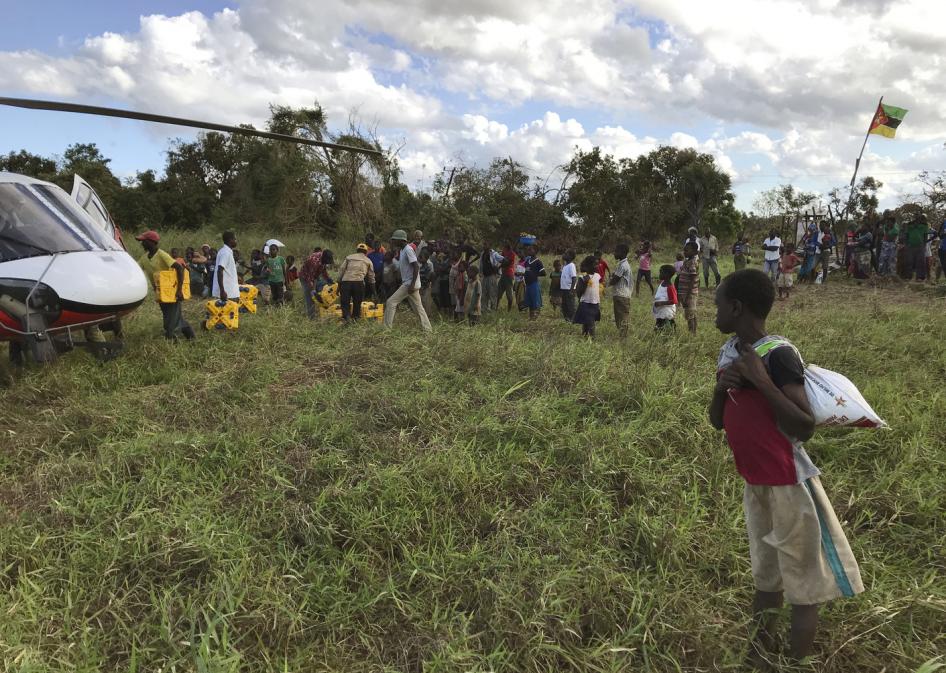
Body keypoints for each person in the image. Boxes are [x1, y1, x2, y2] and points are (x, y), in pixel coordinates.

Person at [708, 268, 863, 662]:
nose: (714, 312)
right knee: (766, 576)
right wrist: (720, 391)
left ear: (737, 307)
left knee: (803, 588)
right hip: (756, 481)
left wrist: (761, 381)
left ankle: (796, 663)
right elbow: (716, 420)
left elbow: (803, 424)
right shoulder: (731, 352)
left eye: (718, 305)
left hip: (790, 484)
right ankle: (757, 656)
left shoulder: (779, 355)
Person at [136, 230, 195, 340]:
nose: (142, 243)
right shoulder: (144, 258)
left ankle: (172, 340)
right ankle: (191, 337)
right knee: (171, 316)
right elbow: (135, 268)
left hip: (172, 291)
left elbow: (179, 268)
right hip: (160, 293)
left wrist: (179, 290)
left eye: (144, 241)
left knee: (171, 320)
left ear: (151, 242)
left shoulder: (161, 254)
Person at [384, 229, 432, 332]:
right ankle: (428, 330)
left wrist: (411, 284)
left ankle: (386, 329)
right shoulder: (402, 250)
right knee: (419, 308)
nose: (393, 242)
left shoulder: (408, 250)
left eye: (395, 240)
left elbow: (416, 267)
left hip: (410, 284)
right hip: (409, 283)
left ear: (401, 240)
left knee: (391, 302)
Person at [337, 243, 376, 321]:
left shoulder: (349, 257)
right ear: (366, 252)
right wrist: (374, 292)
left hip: (346, 282)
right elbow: (371, 277)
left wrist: (339, 283)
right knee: (357, 303)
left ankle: (347, 317)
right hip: (358, 283)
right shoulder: (368, 261)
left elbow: (341, 270)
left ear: (357, 250)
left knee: (345, 302)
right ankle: (355, 318)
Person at [572, 256, 601, 339]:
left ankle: (584, 336)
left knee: (587, 321)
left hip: (595, 302)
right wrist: (585, 282)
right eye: (595, 264)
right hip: (586, 303)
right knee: (590, 320)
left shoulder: (598, 276)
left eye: (597, 264)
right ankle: (593, 338)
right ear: (588, 266)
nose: (597, 266)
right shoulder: (582, 278)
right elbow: (578, 291)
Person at [299, 248, 333, 318]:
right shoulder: (313, 261)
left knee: (316, 295)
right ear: (324, 258)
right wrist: (313, 290)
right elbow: (309, 278)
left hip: (313, 276)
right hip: (305, 277)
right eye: (327, 261)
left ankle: (314, 312)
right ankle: (311, 317)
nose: (327, 263)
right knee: (310, 297)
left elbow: (323, 271)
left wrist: (329, 279)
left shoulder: (323, 259)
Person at [609, 243, 633, 338]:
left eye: (616, 251)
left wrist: (608, 283)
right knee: (619, 315)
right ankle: (622, 335)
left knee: (622, 315)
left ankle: (623, 336)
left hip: (622, 294)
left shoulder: (623, 265)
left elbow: (615, 279)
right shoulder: (622, 264)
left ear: (622, 253)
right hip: (621, 294)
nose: (614, 253)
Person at [677, 241, 700, 334]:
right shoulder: (686, 261)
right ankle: (693, 332)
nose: (685, 252)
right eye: (684, 250)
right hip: (685, 292)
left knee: (690, 314)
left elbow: (693, 279)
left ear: (695, 252)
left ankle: (692, 333)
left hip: (689, 294)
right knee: (691, 313)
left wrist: (688, 294)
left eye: (687, 250)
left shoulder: (693, 262)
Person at [212, 231, 240, 305]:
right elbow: (220, 271)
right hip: (227, 293)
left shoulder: (226, 251)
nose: (236, 241)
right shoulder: (225, 253)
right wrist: (222, 290)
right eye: (235, 239)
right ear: (230, 240)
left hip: (230, 291)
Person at [522, 246, 546, 320]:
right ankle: (531, 316)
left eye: (531, 250)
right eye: (528, 250)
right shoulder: (527, 261)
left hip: (534, 283)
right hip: (528, 284)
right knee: (529, 300)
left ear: (535, 251)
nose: (529, 251)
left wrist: (535, 274)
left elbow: (543, 273)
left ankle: (536, 315)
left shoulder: (538, 261)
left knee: (535, 300)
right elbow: (526, 270)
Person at [653, 264, 678, 333]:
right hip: (661, 311)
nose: (659, 274)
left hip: (667, 312)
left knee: (666, 324)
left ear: (667, 274)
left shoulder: (670, 287)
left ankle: (672, 335)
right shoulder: (662, 283)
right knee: (661, 324)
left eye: (661, 272)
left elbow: (674, 300)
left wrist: (661, 303)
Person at [904, 213, 929, 281]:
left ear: (920, 217)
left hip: (920, 245)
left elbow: (925, 236)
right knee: (909, 261)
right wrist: (906, 244)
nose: (917, 218)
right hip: (910, 245)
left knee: (920, 262)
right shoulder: (909, 225)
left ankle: (920, 277)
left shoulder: (924, 225)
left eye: (918, 216)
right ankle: (908, 276)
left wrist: (924, 245)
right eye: (915, 216)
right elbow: (906, 234)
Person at [480, 243, 504, 312]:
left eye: (486, 244)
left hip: (492, 276)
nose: (484, 246)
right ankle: (484, 309)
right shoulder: (482, 254)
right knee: (484, 294)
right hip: (484, 276)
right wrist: (480, 273)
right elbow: (481, 264)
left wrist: (498, 267)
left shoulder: (494, 254)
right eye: (484, 244)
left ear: (489, 246)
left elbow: (503, 260)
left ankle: (493, 310)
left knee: (492, 293)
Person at [497, 242, 517, 311]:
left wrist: (500, 266)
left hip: (509, 275)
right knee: (498, 292)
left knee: (509, 293)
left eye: (504, 247)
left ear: (506, 247)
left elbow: (507, 263)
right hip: (503, 274)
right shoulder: (504, 252)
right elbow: (501, 260)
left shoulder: (512, 254)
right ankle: (496, 307)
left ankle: (509, 309)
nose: (503, 249)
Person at [559, 250, 578, 321]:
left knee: (570, 306)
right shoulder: (565, 266)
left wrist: (572, 290)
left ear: (570, 256)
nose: (564, 254)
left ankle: (572, 319)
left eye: (566, 254)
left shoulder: (571, 265)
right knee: (564, 306)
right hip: (564, 289)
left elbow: (574, 278)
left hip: (569, 289)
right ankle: (567, 319)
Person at [449, 253, 467, 322]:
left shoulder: (463, 275)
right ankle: (457, 320)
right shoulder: (460, 274)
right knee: (457, 308)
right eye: (459, 267)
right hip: (458, 294)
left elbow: (462, 287)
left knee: (460, 309)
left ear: (465, 268)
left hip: (461, 295)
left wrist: (461, 297)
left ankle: (460, 321)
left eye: (461, 267)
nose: (459, 268)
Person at [418, 248, 435, 317]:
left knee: (426, 302)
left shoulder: (428, 266)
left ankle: (428, 316)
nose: (419, 259)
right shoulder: (421, 266)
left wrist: (427, 285)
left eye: (421, 257)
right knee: (422, 302)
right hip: (422, 286)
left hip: (426, 286)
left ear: (426, 258)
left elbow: (429, 277)